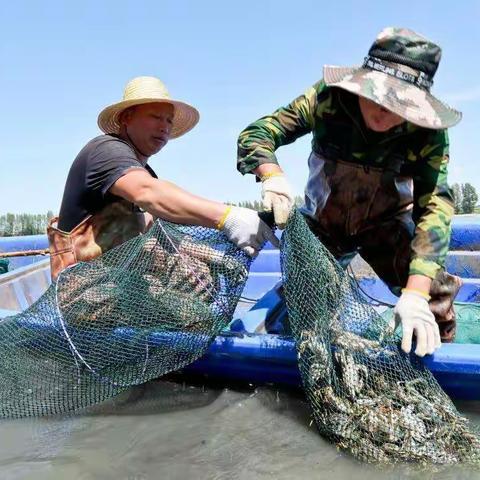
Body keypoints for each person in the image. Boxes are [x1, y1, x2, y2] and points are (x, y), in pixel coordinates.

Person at [237, 27, 463, 357]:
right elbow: (258, 133)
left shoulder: (428, 131)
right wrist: (270, 174)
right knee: (302, 302)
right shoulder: (327, 98)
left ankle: (441, 363)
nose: (385, 112)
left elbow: (434, 206)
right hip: (323, 226)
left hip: (387, 227)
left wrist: (415, 292)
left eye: (400, 104)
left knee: (434, 295)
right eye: (379, 97)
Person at [48, 76, 277, 280]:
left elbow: (161, 230)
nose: (164, 127)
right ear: (127, 117)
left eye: (169, 120)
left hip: (121, 281)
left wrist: (214, 257)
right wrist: (228, 216)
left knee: (200, 276)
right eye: (155, 117)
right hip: (84, 291)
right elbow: (148, 192)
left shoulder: (142, 171)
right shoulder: (106, 151)